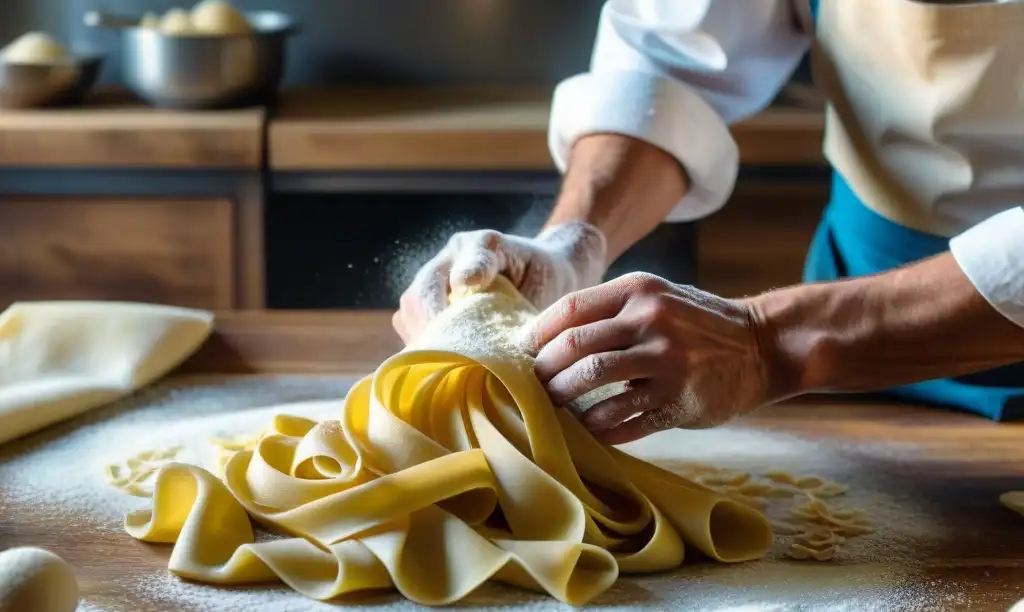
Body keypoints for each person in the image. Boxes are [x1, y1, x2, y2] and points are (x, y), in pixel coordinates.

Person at [393, 0, 1024, 444]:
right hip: (863, 312)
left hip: (832, 332)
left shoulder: (786, 342)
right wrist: (574, 240)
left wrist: (771, 344)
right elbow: (676, 55)